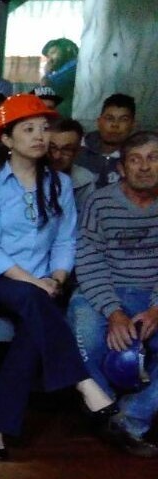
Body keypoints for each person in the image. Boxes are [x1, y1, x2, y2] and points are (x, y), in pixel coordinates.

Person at [0, 94, 119, 460]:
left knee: (32, 335)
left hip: (44, 283)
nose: (40, 135)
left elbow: (67, 239)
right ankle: (83, 381)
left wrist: (59, 276)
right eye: (28, 128)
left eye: (44, 128)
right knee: (35, 302)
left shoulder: (59, 184)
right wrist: (34, 282)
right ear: (7, 139)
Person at [69, 131, 158, 457]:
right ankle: (103, 409)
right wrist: (113, 311)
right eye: (135, 160)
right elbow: (90, 261)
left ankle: (130, 420)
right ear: (122, 168)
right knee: (85, 329)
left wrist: (156, 309)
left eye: (153, 158)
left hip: (152, 295)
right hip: (105, 291)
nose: (145, 167)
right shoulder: (100, 200)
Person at [77, 94, 136, 189]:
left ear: (133, 125)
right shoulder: (77, 148)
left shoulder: (138, 158)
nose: (115, 125)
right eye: (109, 118)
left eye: (123, 119)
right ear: (99, 121)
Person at [46, 119, 99, 207]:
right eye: (52, 147)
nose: (57, 156)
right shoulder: (28, 176)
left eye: (66, 149)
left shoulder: (85, 181)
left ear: (78, 151)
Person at [40, 38, 78, 117]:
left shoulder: (73, 66)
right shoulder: (62, 69)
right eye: (48, 56)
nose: (50, 59)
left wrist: (47, 73)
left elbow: (49, 90)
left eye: (53, 52)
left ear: (67, 50)